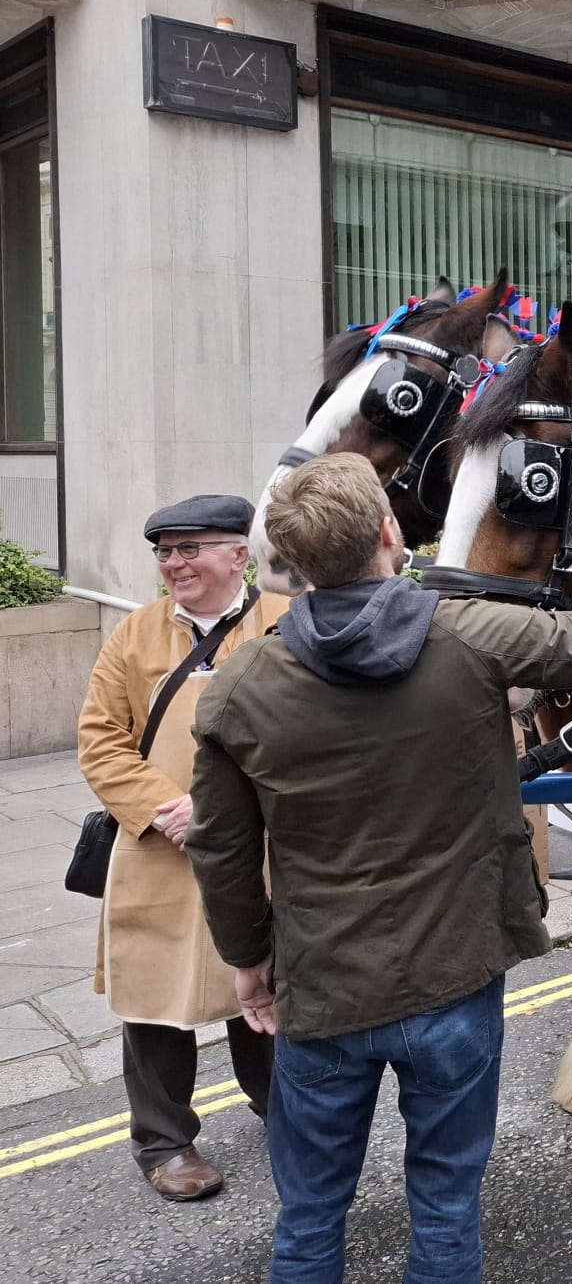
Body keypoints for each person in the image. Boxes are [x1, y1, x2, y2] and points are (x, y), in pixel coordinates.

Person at [183, 452, 572, 1284]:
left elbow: (223, 851)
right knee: (447, 1208)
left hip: (321, 987)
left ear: (292, 562)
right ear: (389, 533)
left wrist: (247, 962)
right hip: (455, 978)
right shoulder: (473, 634)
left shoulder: (238, 689)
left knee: (308, 1219)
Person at [75, 494, 289, 1200]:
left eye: (191, 547)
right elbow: (100, 741)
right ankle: (165, 1146)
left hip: (262, 848)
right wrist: (165, 809)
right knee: (155, 1000)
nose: (174, 563)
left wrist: (227, 807)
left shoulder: (288, 624)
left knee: (264, 985)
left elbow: (317, 728)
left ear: (239, 554)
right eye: (165, 551)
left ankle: (282, 1111)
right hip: (160, 852)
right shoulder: (133, 634)